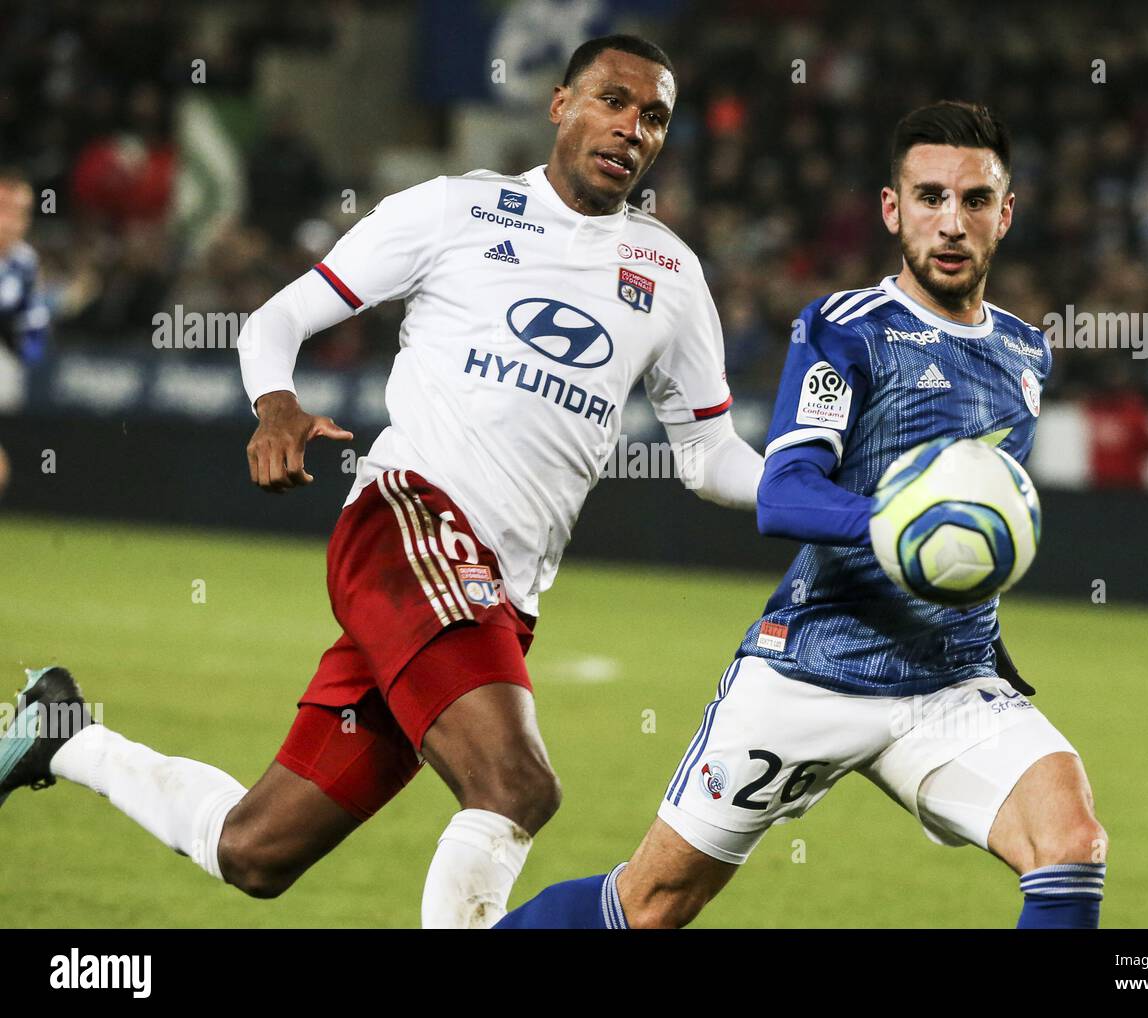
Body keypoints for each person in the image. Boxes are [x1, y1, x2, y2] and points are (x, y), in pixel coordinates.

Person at [0, 35, 763, 929]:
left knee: (254, 849)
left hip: (497, 595)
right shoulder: (455, 212)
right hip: (411, 524)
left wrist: (830, 496)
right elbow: (280, 318)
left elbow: (711, 460)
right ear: (560, 105)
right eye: (612, 100)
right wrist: (275, 404)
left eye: (654, 116)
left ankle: (64, 734)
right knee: (515, 785)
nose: (631, 127)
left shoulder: (670, 275)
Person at [497, 101, 1109, 930]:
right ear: (893, 211)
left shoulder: (1026, 354)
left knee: (1069, 841)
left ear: (1006, 213)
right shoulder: (845, 329)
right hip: (811, 672)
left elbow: (968, 527)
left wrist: (984, 626)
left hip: (949, 683)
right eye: (929, 197)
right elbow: (786, 493)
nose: (951, 222)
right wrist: (895, 524)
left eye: (973, 200)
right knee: (648, 907)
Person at [0, 169, 50, 499]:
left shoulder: (23, 263)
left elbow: (33, 330)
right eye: (4, 209)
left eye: (22, 212)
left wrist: (25, 349)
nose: (13, 221)